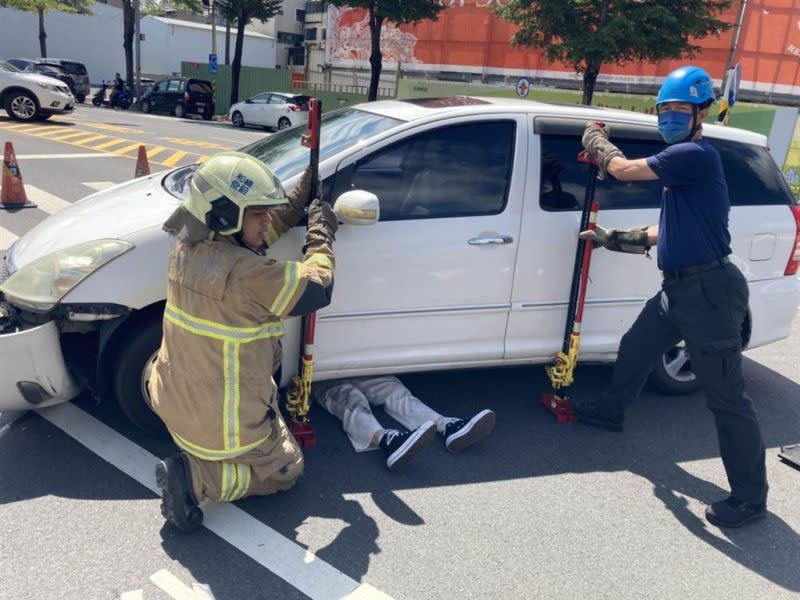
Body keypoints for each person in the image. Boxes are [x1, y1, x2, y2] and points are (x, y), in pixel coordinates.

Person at [577, 65, 768, 528]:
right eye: (666, 110)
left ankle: (749, 498)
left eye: (681, 110)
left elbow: (621, 170)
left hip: (709, 294)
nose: (671, 117)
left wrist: (595, 140)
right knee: (637, 345)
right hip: (680, 288)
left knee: (727, 399)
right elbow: (668, 230)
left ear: (701, 112)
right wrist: (614, 239)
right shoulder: (685, 170)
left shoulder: (694, 155)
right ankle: (610, 411)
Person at [149, 153, 337, 533]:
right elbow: (320, 286)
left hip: (170, 400)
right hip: (222, 427)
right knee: (288, 467)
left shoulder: (185, 248)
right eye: (257, 214)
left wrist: (299, 196)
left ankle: (200, 455)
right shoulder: (249, 275)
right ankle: (198, 478)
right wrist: (321, 234)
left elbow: (254, 240)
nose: (266, 221)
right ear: (225, 215)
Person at [314, 376, 496, 470]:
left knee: (393, 389)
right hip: (318, 369)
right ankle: (386, 440)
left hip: (349, 356)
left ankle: (446, 426)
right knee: (350, 398)